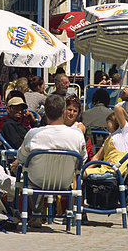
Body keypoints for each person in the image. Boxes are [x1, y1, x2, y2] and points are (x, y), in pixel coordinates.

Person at [12, 94, 87, 224]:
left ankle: (35, 214)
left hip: (37, 180)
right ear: (64, 112)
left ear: (45, 113)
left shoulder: (33, 134)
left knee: (27, 170)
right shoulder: (77, 135)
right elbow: (82, 159)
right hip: (64, 182)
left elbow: (21, 157)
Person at [85, 110, 128, 176]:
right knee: (79, 173)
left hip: (113, 170)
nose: (106, 126)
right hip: (105, 169)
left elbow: (117, 108)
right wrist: (85, 169)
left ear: (113, 121)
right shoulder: (109, 138)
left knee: (76, 175)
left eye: (108, 122)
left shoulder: (124, 134)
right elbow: (97, 157)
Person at [64, 94, 94, 160]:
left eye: (75, 111)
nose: (71, 113)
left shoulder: (80, 127)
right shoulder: (58, 124)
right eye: (69, 109)